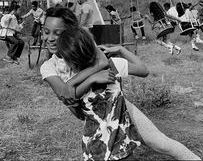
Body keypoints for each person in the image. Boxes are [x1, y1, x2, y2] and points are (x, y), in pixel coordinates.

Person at [40, 6, 201, 161]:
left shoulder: (84, 47)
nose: (51, 38)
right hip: (94, 121)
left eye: (58, 33)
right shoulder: (48, 67)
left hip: (119, 109)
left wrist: (73, 83)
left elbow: (103, 61)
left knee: (161, 143)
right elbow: (65, 95)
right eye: (46, 32)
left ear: (72, 33)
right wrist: (88, 79)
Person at [57, 27, 148, 160]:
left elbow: (79, 114)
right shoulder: (113, 65)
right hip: (121, 146)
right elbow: (144, 70)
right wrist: (121, 49)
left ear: (67, 59)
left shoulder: (71, 85)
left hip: (95, 149)